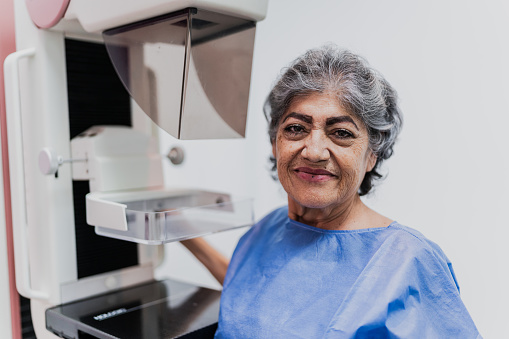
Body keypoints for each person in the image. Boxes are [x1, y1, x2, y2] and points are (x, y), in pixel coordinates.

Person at [184, 44, 481, 338]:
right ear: (275, 143)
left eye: (341, 133)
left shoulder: (408, 260)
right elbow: (255, 301)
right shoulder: (268, 229)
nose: (314, 152)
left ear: (371, 155)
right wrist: (184, 232)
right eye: (296, 128)